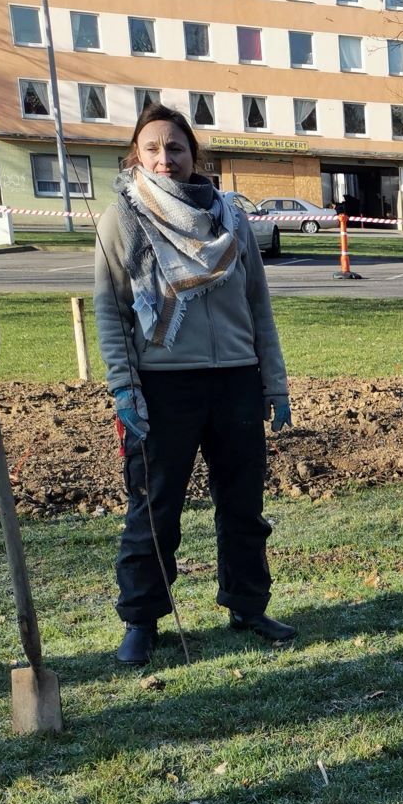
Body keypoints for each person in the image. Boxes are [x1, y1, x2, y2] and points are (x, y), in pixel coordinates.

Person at [94, 103, 293, 667]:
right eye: (153, 148)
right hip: (161, 389)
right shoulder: (121, 221)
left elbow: (258, 307)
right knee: (155, 510)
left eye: (175, 147)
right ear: (137, 154)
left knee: (243, 505)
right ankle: (141, 621)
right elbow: (110, 313)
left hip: (235, 382)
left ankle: (248, 606)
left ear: (193, 154)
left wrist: (273, 387)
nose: (165, 158)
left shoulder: (230, 221)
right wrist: (124, 390)